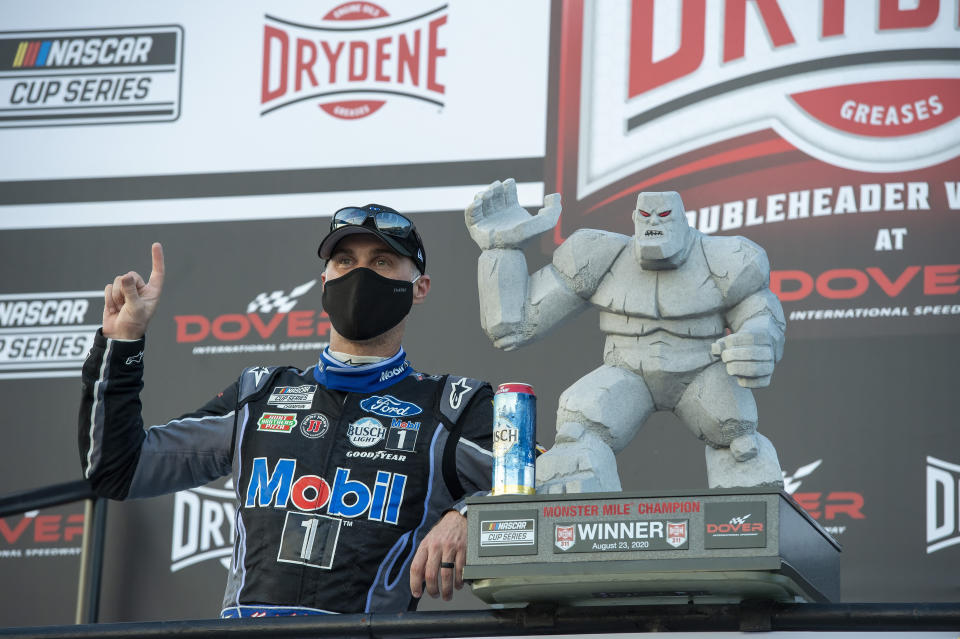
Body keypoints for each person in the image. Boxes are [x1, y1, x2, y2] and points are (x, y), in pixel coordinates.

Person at [78, 204, 494, 617]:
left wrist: (467, 514)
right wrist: (122, 343)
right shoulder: (259, 395)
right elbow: (118, 468)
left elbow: (547, 481)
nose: (360, 275)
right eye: (345, 260)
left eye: (382, 262)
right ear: (324, 280)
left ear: (419, 288)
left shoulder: (451, 407)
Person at [465, 180, 785, 492]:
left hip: (701, 368)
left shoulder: (726, 259)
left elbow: (759, 313)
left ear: (684, 220)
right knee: (578, 436)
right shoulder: (601, 256)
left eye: (665, 216)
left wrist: (760, 339)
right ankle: (578, 539)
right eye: (646, 216)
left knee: (738, 439)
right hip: (627, 370)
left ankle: (744, 533)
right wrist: (501, 248)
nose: (654, 224)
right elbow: (514, 328)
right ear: (634, 219)